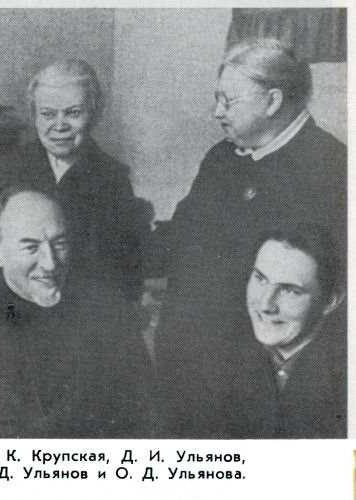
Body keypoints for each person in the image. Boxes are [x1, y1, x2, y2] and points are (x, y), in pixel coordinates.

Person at [154, 38, 346, 435]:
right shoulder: (221, 157)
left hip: (257, 390)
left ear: (273, 101)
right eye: (217, 99)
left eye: (228, 101)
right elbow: (181, 239)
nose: (216, 112)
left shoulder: (331, 169)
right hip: (187, 372)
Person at [0, 187, 153, 438]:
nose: (50, 263)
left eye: (59, 244)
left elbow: (146, 422)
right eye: (31, 248)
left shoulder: (108, 311)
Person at [0, 59, 150, 297]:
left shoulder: (112, 179)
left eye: (73, 113)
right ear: (34, 117)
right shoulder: (4, 173)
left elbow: (124, 271)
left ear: (93, 115)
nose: (59, 126)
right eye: (48, 114)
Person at [169, 224, 345, 438]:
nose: (264, 304)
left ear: (330, 301)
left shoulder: (345, 377)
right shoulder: (211, 362)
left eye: (290, 290)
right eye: (260, 279)